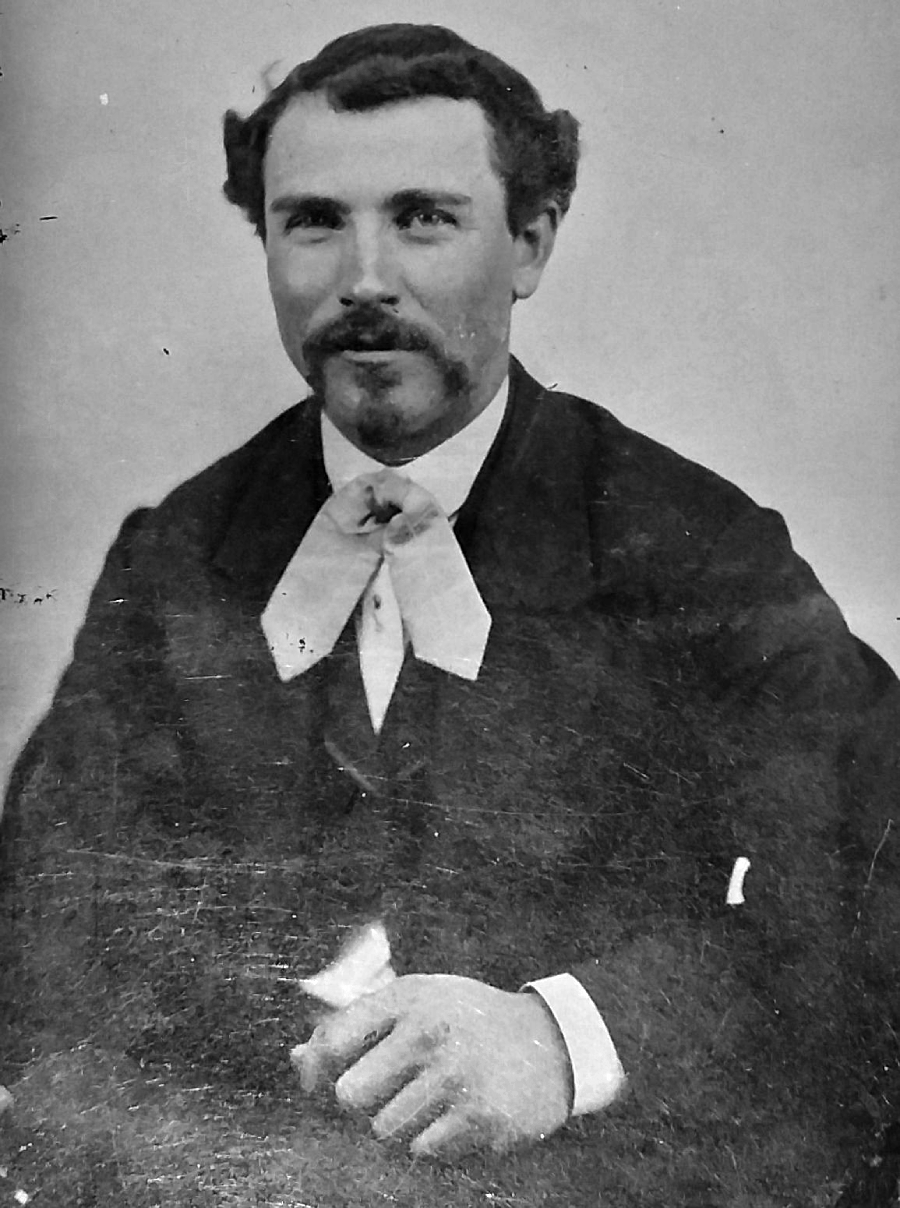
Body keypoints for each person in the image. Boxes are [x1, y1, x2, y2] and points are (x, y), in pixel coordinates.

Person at [2, 22, 899, 1206]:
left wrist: (564, 1035)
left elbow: (862, 904)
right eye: (311, 220)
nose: (363, 277)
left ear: (529, 242)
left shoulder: (695, 551)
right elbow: (47, 934)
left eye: (424, 217)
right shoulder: (176, 552)